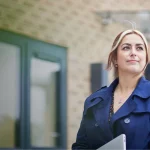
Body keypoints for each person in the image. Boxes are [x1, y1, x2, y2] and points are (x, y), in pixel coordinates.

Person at [72, 29, 150, 149]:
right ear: (114, 58)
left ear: (146, 58)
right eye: (126, 48)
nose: (133, 52)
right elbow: (81, 146)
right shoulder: (94, 101)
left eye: (139, 48)